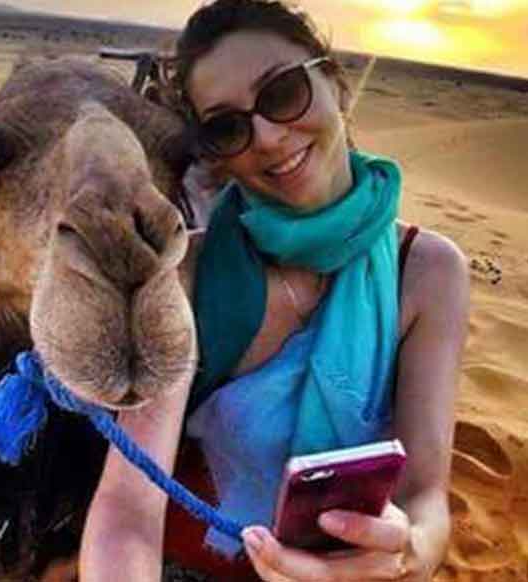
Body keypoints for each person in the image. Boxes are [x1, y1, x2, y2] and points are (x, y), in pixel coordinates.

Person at [79, 1, 470, 581]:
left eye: (283, 93)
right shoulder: (186, 271)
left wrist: (405, 550)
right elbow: (127, 509)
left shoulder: (428, 272)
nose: (265, 136)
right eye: (227, 127)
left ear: (334, 82)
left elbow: (425, 498)